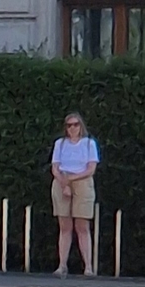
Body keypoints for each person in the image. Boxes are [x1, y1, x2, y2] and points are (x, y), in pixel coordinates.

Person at [50, 108, 101, 277]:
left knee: (82, 225)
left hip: (82, 181)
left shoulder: (89, 144)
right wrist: (63, 182)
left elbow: (91, 168)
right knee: (65, 226)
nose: (72, 128)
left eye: (75, 125)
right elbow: (55, 167)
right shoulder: (60, 143)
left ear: (81, 126)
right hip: (62, 181)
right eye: (69, 125)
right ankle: (62, 265)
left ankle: (88, 266)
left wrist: (71, 180)